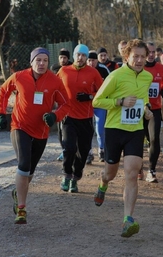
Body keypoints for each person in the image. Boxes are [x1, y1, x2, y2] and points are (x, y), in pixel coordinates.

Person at [0, 47, 70, 224]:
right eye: (38, 60)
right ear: (32, 62)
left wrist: (54, 116)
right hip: (19, 126)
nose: (42, 63)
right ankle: (21, 209)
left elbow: (66, 104)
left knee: (29, 173)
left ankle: (17, 192)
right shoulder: (19, 77)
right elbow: (3, 91)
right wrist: (0, 113)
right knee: (23, 165)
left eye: (45, 60)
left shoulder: (54, 81)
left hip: (41, 131)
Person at [92, 39, 153, 238]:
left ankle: (128, 219)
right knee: (110, 172)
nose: (140, 60)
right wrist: (120, 102)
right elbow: (97, 101)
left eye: (143, 56)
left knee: (131, 173)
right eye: (136, 56)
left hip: (135, 131)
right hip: (114, 130)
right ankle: (103, 184)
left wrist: (146, 110)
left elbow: (143, 100)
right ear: (127, 57)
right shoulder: (116, 76)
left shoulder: (148, 76)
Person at [57, 44, 103, 193]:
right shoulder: (64, 71)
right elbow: (53, 88)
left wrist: (89, 96)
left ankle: (76, 177)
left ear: (86, 57)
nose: (80, 58)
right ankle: (66, 175)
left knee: (83, 152)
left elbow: (103, 93)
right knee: (69, 147)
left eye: (83, 55)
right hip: (68, 117)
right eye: (78, 55)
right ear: (74, 56)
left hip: (86, 118)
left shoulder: (93, 73)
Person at [142, 42, 163, 183]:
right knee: (140, 138)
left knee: (154, 139)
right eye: (149, 52)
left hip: (155, 108)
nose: (151, 55)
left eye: (153, 52)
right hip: (139, 109)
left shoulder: (160, 68)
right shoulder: (139, 68)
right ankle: (138, 166)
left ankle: (151, 170)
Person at [86, 51, 111, 163]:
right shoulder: (84, 70)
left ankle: (102, 150)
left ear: (97, 60)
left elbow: (110, 85)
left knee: (100, 128)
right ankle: (88, 152)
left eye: (93, 60)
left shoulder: (103, 69)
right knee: (88, 129)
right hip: (87, 103)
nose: (91, 63)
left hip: (100, 103)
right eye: (89, 60)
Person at [51, 48, 73, 161]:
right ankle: (64, 150)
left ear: (68, 58)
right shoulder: (55, 69)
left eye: (65, 58)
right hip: (59, 103)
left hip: (72, 104)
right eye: (61, 57)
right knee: (60, 129)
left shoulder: (72, 69)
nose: (63, 60)